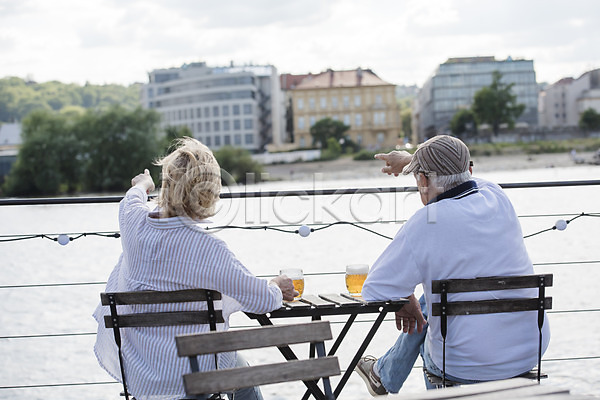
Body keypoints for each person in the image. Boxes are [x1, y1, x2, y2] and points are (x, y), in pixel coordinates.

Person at [93, 137, 296, 400]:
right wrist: (276, 285)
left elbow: (131, 199)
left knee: (236, 365)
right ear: (210, 192)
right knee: (243, 375)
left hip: (144, 377)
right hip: (196, 380)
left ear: (167, 185)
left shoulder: (132, 222)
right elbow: (261, 299)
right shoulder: (208, 249)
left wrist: (143, 184)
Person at [355, 135, 550, 396]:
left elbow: (374, 290)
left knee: (432, 312)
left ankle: (384, 375)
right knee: (435, 299)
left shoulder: (425, 222)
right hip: (527, 351)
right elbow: (460, 176)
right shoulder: (496, 196)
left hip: (462, 364)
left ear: (423, 181)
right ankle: (383, 373)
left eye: (418, 180)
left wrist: (406, 300)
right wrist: (414, 161)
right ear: (469, 169)